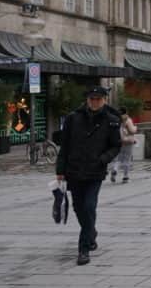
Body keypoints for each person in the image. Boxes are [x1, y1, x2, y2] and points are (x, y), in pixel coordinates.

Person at [56, 86, 121, 266]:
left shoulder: (111, 120)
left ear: (104, 100)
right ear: (87, 100)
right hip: (74, 170)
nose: (95, 102)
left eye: (98, 99)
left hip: (95, 170)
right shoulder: (73, 118)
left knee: (89, 205)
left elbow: (116, 145)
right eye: (92, 99)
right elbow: (65, 146)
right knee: (78, 207)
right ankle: (90, 233)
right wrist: (60, 170)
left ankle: (83, 249)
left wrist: (103, 159)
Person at [111, 108, 137, 183]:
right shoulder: (128, 120)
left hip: (120, 141)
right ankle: (125, 177)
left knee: (118, 158)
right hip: (128, 142)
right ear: (126, 112)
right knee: (127, 159)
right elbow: (132, 130)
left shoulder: (115, 119)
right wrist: (135, 128)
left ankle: (115, 169)